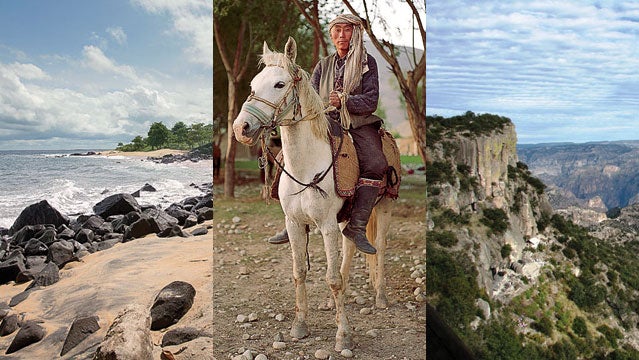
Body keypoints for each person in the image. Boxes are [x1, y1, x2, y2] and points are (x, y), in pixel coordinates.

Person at [268, 14, 387, 255]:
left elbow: (371, 100)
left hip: (360, 123)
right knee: (285, 157)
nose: (342, 35)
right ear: (331, 34)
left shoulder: (368, 63)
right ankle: (291, 217)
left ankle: (357, 225)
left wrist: (346, 100)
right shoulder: (323, 65)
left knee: (375, 162)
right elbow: (309, 97)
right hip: (326, 121)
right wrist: (325, 104)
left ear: (356, 34)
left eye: (347, 30)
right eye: (337, 30)